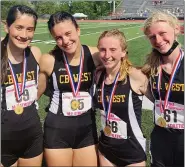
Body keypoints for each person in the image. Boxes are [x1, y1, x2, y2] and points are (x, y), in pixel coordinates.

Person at [37, 11, 101, 166]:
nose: (65, 41)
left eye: (68, 33)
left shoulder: (95, 55)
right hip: (57, 130)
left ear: (78, 30)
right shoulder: (48, 60)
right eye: (58, 37)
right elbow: (34, 96)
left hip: (87, 130)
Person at [94, 29, 152, 166]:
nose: (107, 55)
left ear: (123, 52)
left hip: (132, 151)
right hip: (106, 150)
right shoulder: (98, 77)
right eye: (102, 50)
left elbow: (161, 100)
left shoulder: (135, 76)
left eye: (113, 49)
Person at [1, 5, 43, 167]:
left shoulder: (36, 53)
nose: (24, 35)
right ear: (7, 26)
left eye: (30, 29)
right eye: (19, 28)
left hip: (32, 137)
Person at [142, 11, 184, 167]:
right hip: (160, 140)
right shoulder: (150, 68)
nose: (158, 40)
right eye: (152, 37)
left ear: (176, 30)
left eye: (162, 33)